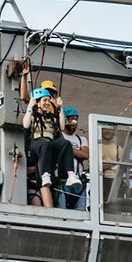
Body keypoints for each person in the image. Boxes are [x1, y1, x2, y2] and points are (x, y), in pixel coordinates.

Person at [21, 80, 79, 209]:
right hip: (35, 146)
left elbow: (62, 126)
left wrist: (60, 109)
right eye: (44, 100)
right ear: (38, 102)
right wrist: (30, 107)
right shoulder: (32, 116)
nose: (48, 103)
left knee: (65, 143)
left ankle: (70, 174)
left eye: (49, 100)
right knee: (46, 143)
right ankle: (45, 173)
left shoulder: (51, 117)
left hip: (47, 147)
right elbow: (25, 125)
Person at [58, 107, 89, 208]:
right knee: (61, 211)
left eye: (76, 119)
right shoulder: (58, 136)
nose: (75, 122)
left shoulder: (81, 139)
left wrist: (66, 149)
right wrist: (76, 152)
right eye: (72, 119)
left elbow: (85, 155)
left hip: (79, 181)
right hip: (62, 181)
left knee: (80, 213)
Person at [99, 124, 122, 202]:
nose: (107, 131)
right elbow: (94, 165)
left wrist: (105, 166)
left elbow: (122, 167)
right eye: (105, 129)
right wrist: (112, 166)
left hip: (115, 180)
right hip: (101, 179)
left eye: (110, 129)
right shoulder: (97, 147)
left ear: (114, 132)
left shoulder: (118, 148)